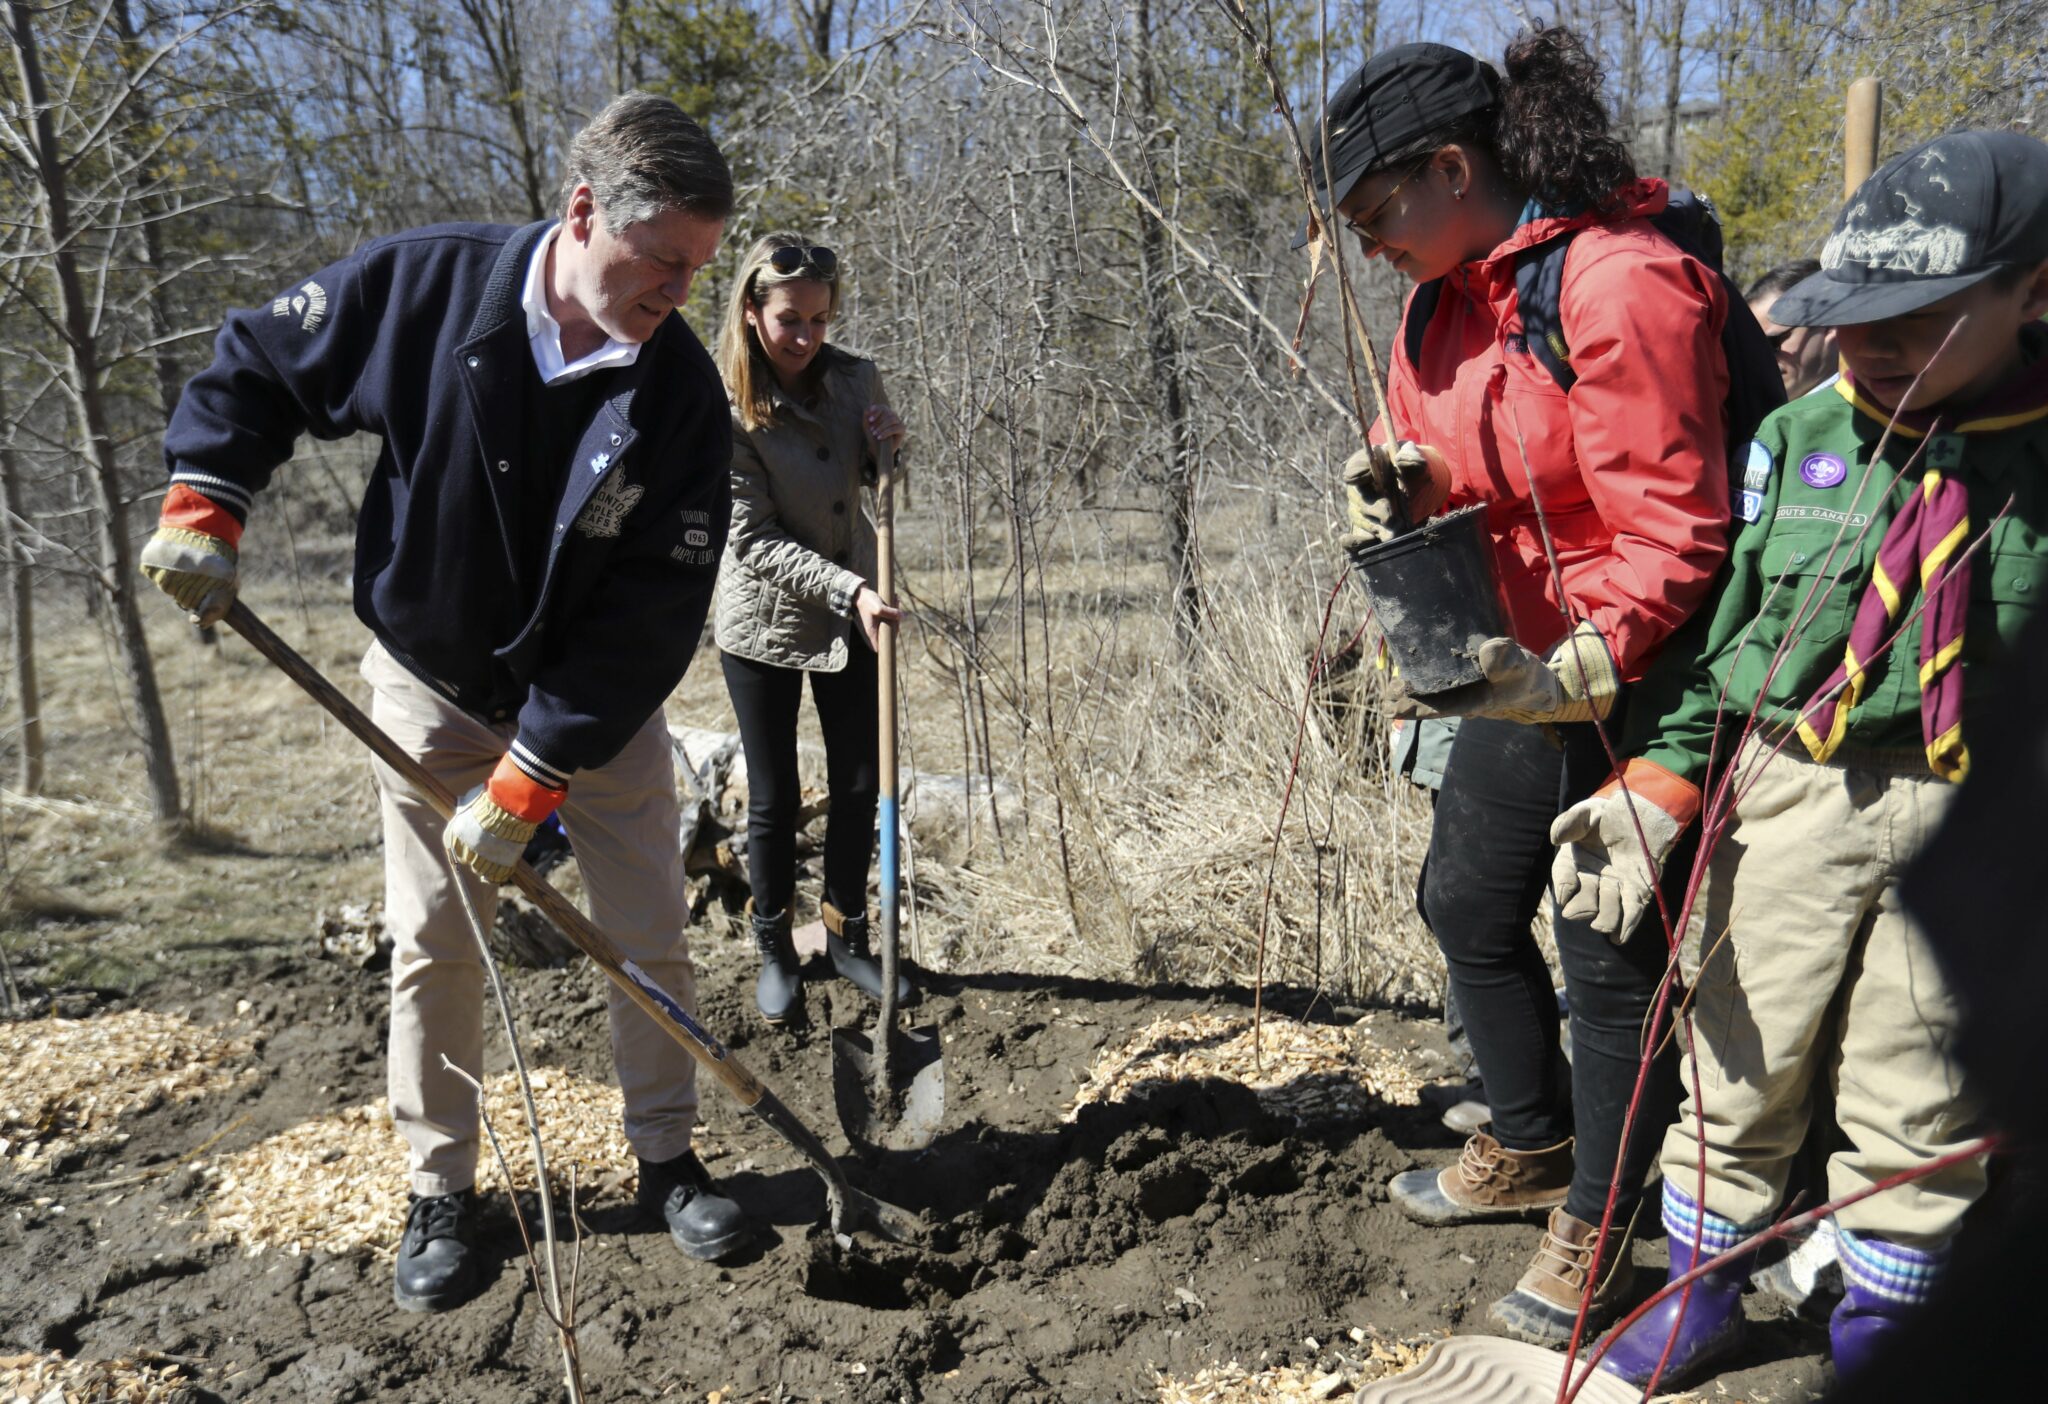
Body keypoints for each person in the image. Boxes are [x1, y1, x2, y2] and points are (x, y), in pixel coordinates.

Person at [138, 93, 752, 1313]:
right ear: (584, 214)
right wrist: (207, 500)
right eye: (665, 259)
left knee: (647, 929)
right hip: (429, 679)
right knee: (436, 943)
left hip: (594, 707)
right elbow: (259, 360)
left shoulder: (679, 396)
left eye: (699, 266)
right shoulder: (424, 288)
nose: (681, 290)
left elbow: (653, 614)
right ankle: (443, 1188)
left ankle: (668, 1159)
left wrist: (540, 770)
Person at [1561, 129, 2048, 1387]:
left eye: (1918, 317)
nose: (1865, 344)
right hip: (1792, 785)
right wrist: (1659, 784)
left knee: (1922, 1070)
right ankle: (1697, 1291)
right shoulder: (1797, 440)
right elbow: (1733, 630)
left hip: (1983, 806)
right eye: (1847, 316)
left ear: (2031, 293)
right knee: (1736, 1039)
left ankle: (1881, 1326)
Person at [1306, 30, 1743, 1346]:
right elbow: (1479, 460)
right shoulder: (1440, 302)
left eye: (1382, 212)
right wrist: (1412, 483)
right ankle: (1534, 1142)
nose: (1373, 240)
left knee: (1609, 947)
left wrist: (1593, 663)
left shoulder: (1622, 286)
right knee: (1464, 896)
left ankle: (1602, 1230)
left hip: (1654, 662)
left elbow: (1676, 527)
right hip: (1527, 664)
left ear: (1454, 167)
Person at [712, 233, 915, 1026]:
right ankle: (774, 951)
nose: (806, 337)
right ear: (753, 312)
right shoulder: (726, 404)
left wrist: (890, 449)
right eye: (790, 319)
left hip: (857, 604)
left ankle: (846, 938)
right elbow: (751, 539)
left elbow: (875, 482)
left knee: (860, 782)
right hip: (764, 617)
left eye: (820, 319)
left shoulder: (853, 376)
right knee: (776, 796)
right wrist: (851, 590)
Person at [1748, 258, 1838, 398]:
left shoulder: (1862, 413)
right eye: (1749, 346)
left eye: (1773, 342)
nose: (1761, 357)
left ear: (1830, 327)